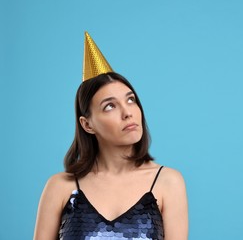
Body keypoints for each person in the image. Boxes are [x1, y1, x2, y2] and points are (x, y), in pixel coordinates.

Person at [34, 32, 188, 240]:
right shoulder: (60, 187)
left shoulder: (168, 182)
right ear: (87, 124)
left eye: (131, 100)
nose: (128, 112)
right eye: (110, 106)